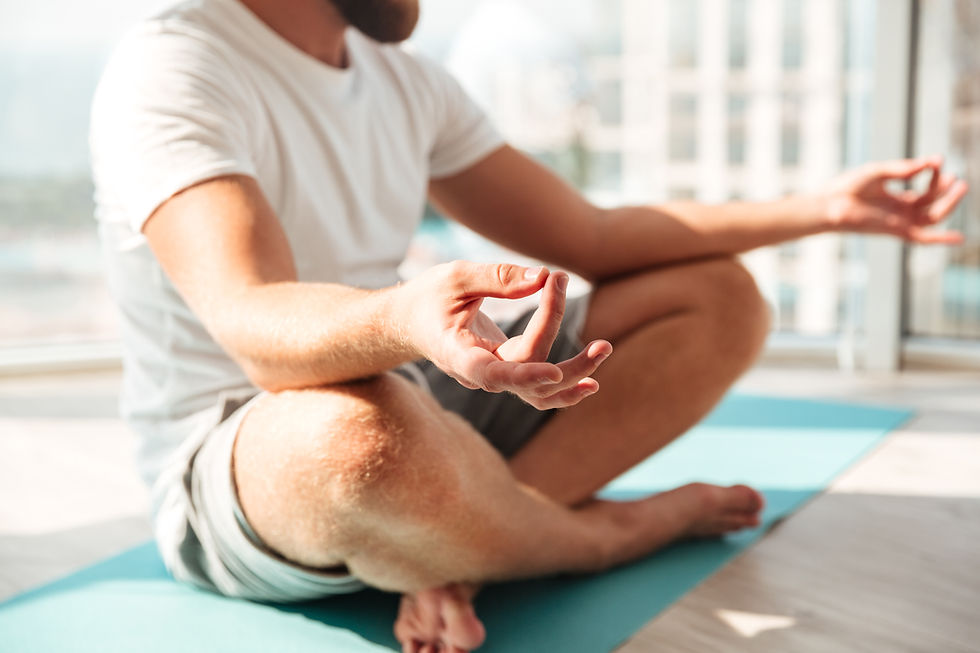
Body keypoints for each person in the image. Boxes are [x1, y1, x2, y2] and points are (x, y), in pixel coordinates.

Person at [89, 0, 968, 651]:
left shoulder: (405, 80)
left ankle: (470, 542)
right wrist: (405, 312)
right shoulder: (176, 66)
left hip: (420, 390)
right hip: (249, 446)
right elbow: (252, 318)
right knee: (354, 435)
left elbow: (592, 236)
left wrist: (823, 208)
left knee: (719, 297)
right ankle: (595, 535)